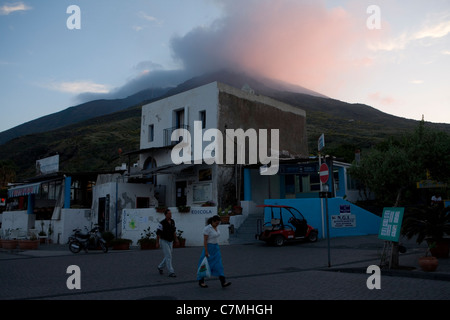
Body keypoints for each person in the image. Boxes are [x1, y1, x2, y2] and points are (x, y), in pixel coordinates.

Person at [197, 215, 231, 288]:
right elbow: (205, 241)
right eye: (216, 223)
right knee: (204, 264)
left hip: (216, 248)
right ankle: (201, 281)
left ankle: (223, 282)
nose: (217, 224)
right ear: (212, 221)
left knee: (219, 265)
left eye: (218, 223)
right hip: (209, 248)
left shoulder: (216, 228)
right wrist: (206, 251)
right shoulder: (207, 228)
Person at [156, 208, 179, 277]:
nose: (170, 215)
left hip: (170, 240)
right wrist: (157, 242)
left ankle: (160, 267)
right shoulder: (162, 223)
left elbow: (174, 231)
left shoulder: (172, 221)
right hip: (164, 240)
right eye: (169, 214)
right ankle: (171, 272)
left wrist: (176, 239)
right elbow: (158, 233)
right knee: (169, 256)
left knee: (168, 255)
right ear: (165, 215)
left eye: (171, 213)